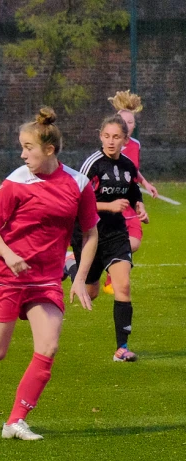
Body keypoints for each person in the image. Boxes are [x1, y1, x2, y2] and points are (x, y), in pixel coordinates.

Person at [0, 107, 99, 441]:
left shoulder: (78, 184)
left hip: (45, 280)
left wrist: (80, 277)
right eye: (22, 146)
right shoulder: (15, 183)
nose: (22, 153)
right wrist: (10, 256)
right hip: (6, 277)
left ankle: (15, 421)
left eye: (28, 147)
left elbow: (91, 232)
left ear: (49, 150)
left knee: (49, 346)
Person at [68, 114, 146, 363]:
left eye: (116, 137)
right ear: (100, 136)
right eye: (106, 136)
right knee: (89, 293)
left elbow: (133, 190)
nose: (111, 142)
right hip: (88, 233)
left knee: (122, 285)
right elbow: (77, 202)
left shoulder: (127, 165)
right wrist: (109, 206)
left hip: (115, 234)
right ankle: (70, 264)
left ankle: (121, 349)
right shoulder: (93, 164)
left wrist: (140, 205)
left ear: (125, 140)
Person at [101, 90, 156, 294]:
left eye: (131, 122)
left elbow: (133, 169)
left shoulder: (136, 145)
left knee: (134, 242)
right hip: (110, 205)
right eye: (123, 122)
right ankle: (76, 260)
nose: (128, 126)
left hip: (129, 201)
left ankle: (111, 272)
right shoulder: (109, 146)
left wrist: (146, 183)